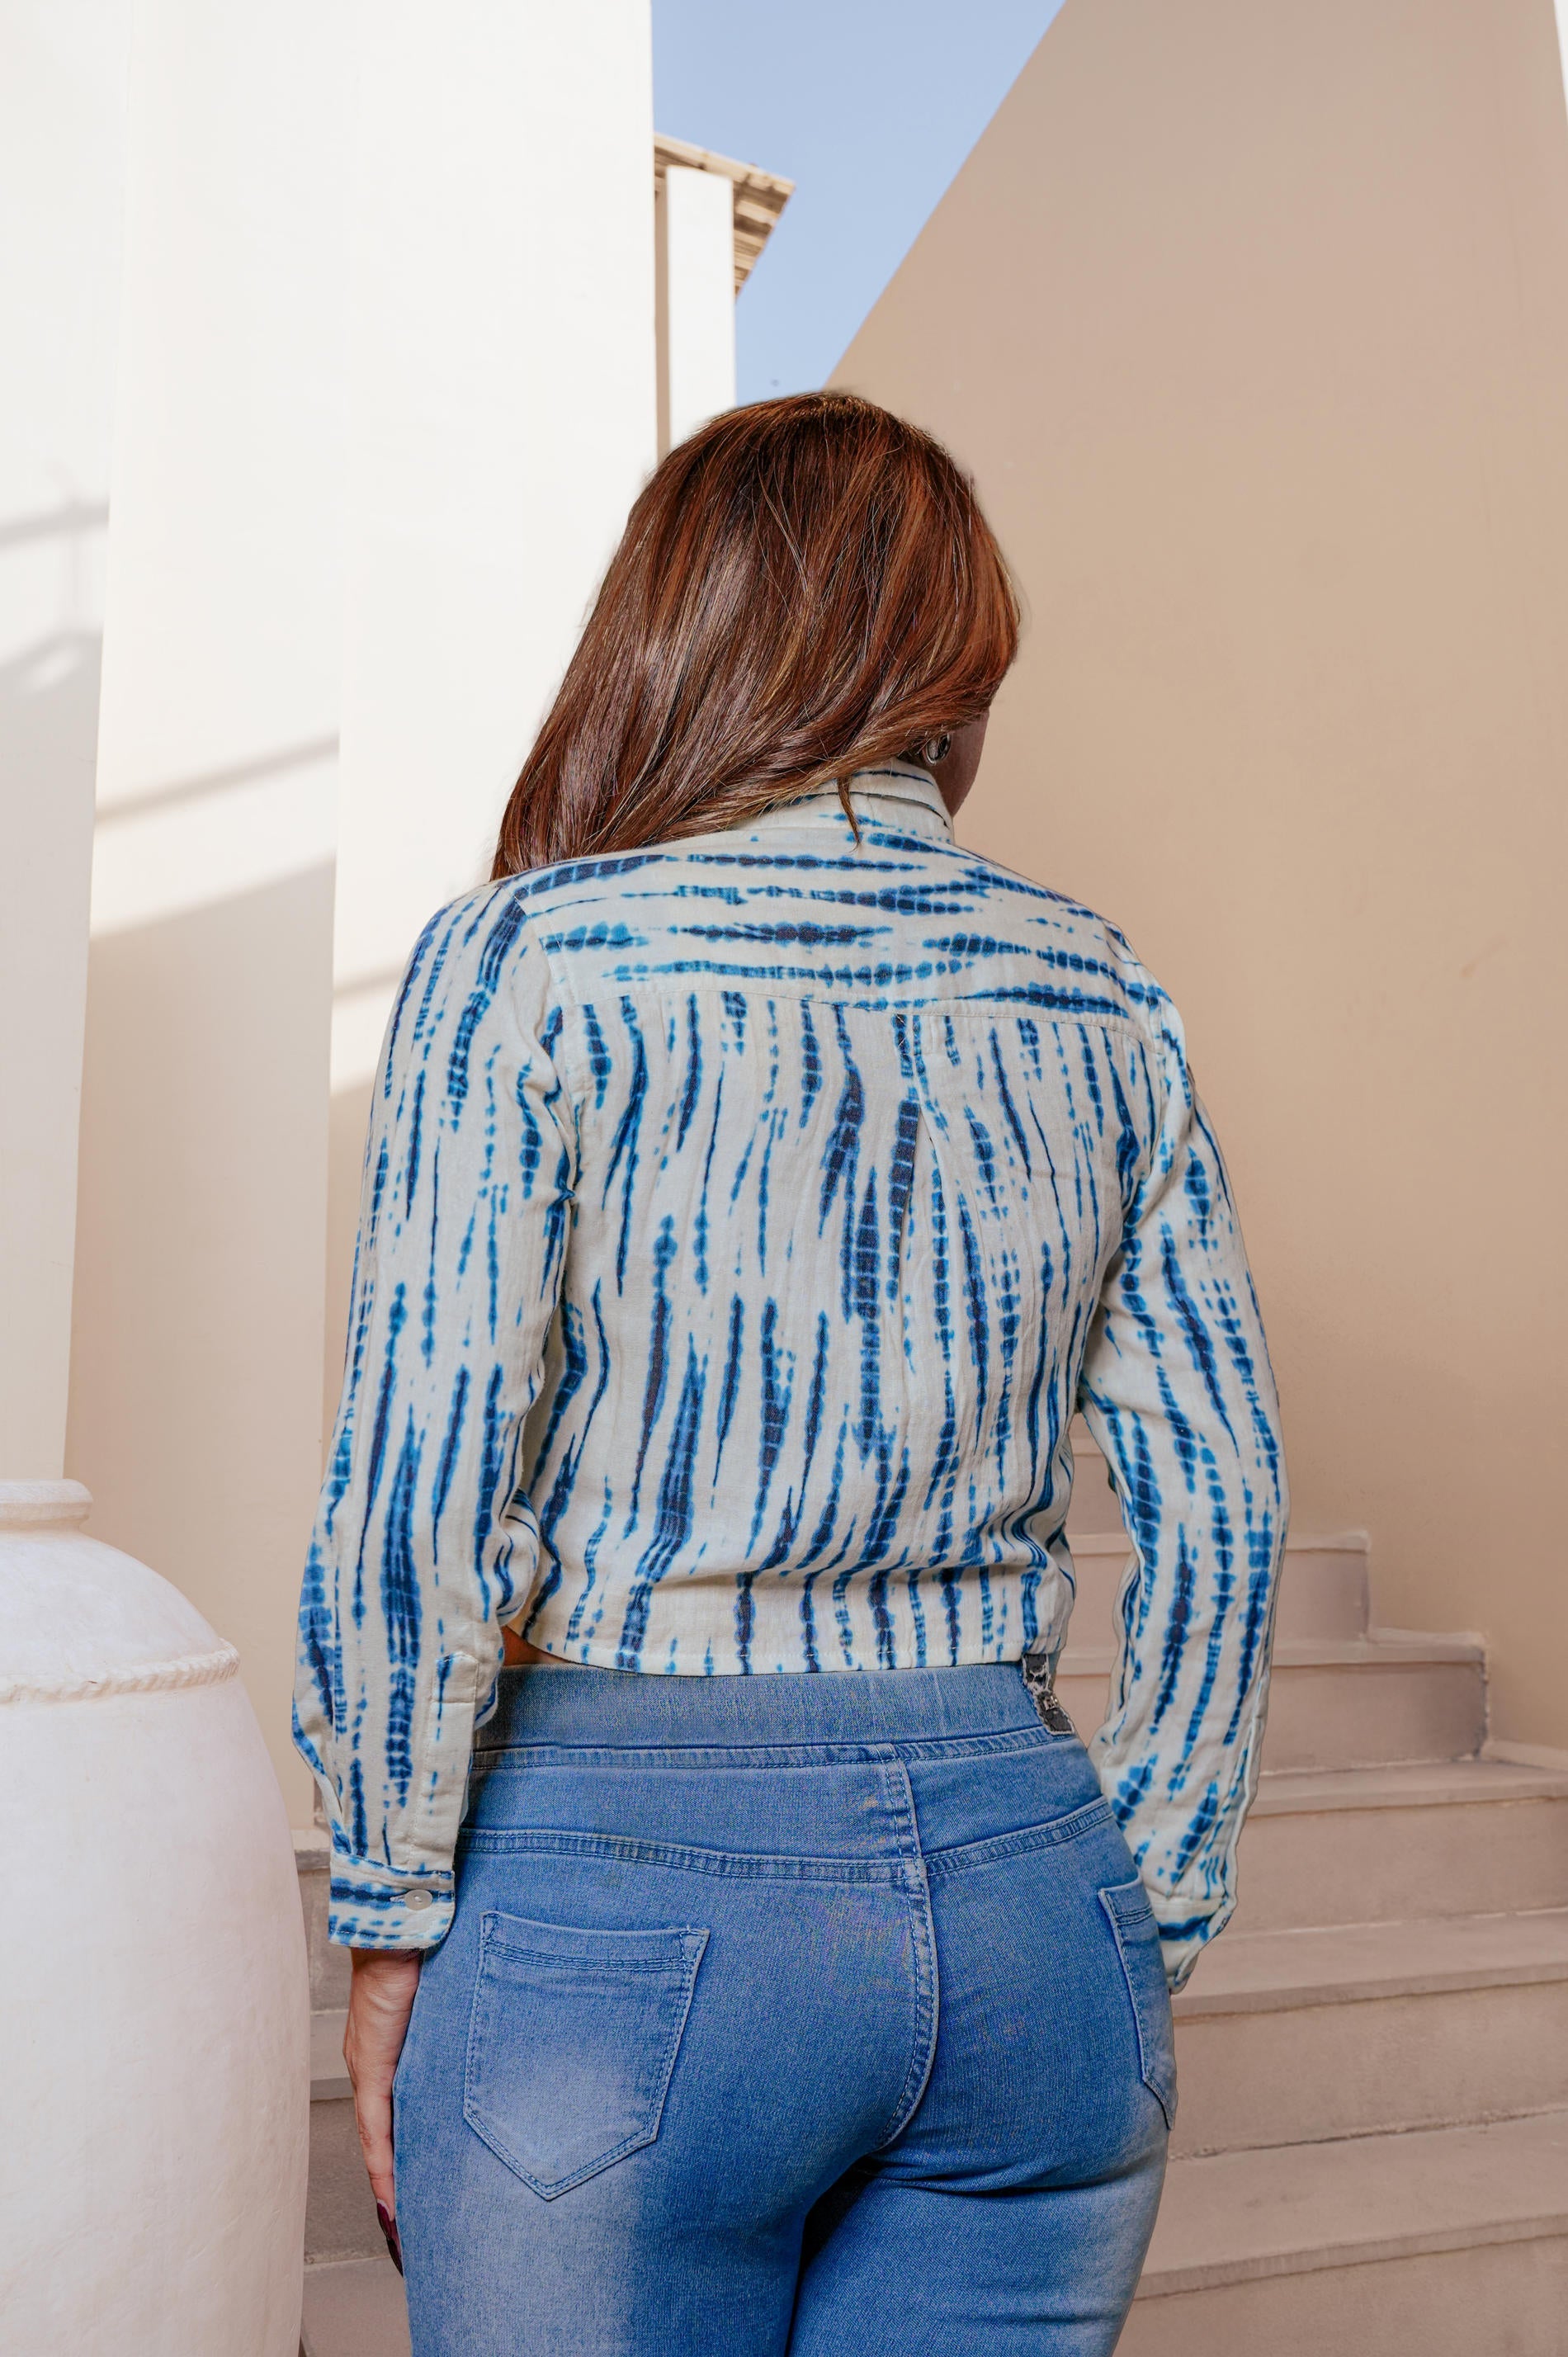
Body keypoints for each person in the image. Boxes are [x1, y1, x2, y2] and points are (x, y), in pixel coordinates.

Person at [295, 391, 1287, 2356]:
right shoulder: (1099, 989)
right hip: (1031, 1902)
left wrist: (390, 1912)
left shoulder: (528, 963)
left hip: (623, 1894)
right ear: (952, 653)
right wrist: (1136, 1906)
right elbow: (1225, 1508)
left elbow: (417, 1495)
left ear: (678, 627)